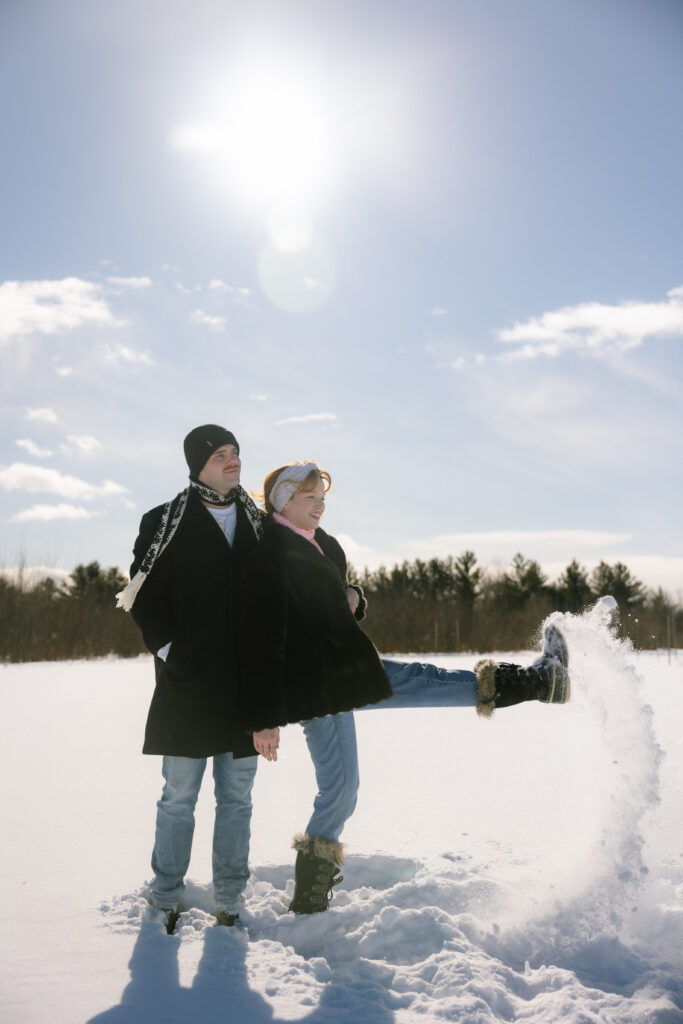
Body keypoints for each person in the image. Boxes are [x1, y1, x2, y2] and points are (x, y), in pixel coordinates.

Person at [238, 461, 569, 916]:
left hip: (344, 670)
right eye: (309, 497)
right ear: (283, 501)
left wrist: (352, 597)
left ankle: (541, 682)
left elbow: (325, 606)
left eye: (322, 498)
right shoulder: (269, 555)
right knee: (365, 756)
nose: (319, 506)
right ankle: (538, 682)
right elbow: (261, 639)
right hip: (316, 683)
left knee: (357, 769)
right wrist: (263, 717)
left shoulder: (318, 543)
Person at [117, 425, 264, 934]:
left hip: (246, 688)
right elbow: (144, 595)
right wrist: (170, 650)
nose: (233, 461)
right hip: (187, 684)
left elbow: (295, 572)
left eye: (236, 452)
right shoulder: (165, 520)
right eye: (221, 454)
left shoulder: (259, 522)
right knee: (178, 798)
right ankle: (165, 897)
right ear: (198, 465)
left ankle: (230, 899)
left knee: (238, 799)